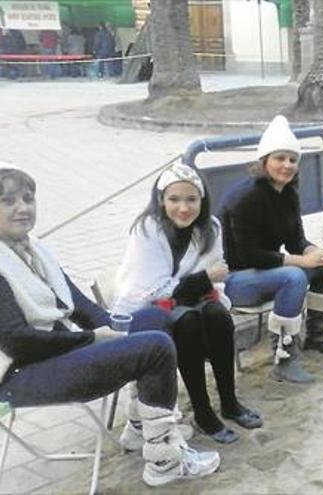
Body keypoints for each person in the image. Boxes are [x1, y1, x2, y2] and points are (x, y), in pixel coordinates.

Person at [0, 165, 220, 487]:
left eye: (28, 198)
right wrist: (92, 338)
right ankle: (164, 461)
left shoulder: (34, 249)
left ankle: (141, 428)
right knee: (155, 347)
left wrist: (114, 331)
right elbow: (16, 342)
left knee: (152, 321)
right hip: (19, 374)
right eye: (7, 201)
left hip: (53, 352)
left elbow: (80, 305)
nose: (22, 208)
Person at [115, 163, 262, 444]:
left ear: (202, 200)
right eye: (174, 199)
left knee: (219, 315)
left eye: (191, 199)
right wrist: (203, 279)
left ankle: (229, 402)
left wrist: (203, 283)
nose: (183, 208)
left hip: (193, 297)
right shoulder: (147, 229)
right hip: (149, 309)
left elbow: (216, 279)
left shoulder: (211, 227)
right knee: (188, 322)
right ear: (161, 200)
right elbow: (152, 289)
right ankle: (203, 411)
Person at [220, 115, 323, 384]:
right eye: (280, 158)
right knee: (295, 275)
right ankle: (283, 357)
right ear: (264, 160)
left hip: (268, 271)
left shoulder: (288, 193)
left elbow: (295, 240)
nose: (287, 165)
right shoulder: (246, 198)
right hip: (235, 278)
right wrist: (300, 262)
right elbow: (247, 256)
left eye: (293, 159)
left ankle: (317, 336)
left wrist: (316, 251)